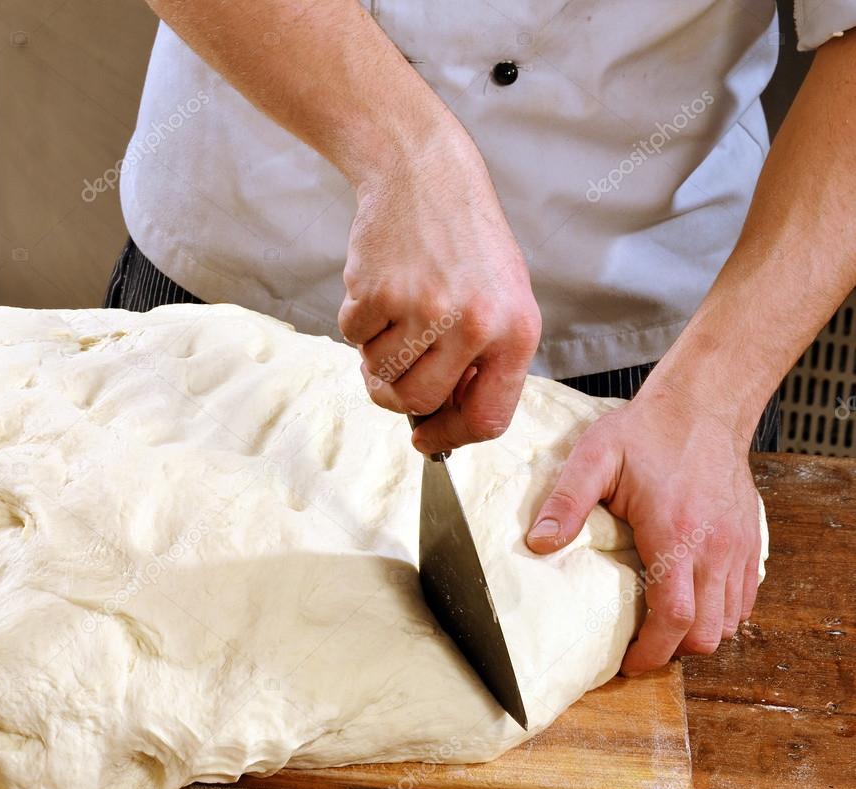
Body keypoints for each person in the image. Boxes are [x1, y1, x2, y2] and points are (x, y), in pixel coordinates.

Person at [105, 1, 856, 676]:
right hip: (233, 288)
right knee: (127, 636)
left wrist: (712, 401)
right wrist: (407, 156)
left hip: (651, 378)